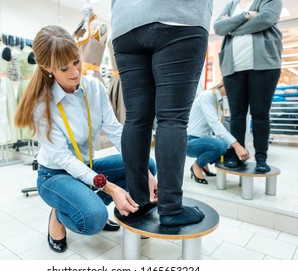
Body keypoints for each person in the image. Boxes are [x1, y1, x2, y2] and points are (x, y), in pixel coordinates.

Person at [14, 25, 157, 253]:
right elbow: (63, 159)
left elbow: (115, 131)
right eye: (64, 68)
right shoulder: (42, 105)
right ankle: (60, 215)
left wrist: (144, 173)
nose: (75, 72)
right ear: (47, 68)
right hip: (55, 175)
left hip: (84, 166)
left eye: (76, 62)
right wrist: (110, 188)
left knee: (146, 165)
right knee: (92, 220)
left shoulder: (94, 88)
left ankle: (106, 206)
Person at [111, 0, 213, 226]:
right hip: (178, 15)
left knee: (136, 119)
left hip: (126, 23)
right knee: (172, 120)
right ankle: (171, 209)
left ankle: (138, 200)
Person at [213, 0, 283, 172]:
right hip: (232, 67)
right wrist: (245, 15)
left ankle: (261, 158)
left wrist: (232, 28)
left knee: (260, 114)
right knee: (237, 115)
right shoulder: (232, 4)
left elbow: (265, 19)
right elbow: (218, 28)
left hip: (264, 65)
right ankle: (238, 156)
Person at [187, 80, 250, 184]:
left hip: (203, 140)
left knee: (236, 152)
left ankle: (204, 164)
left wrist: (238, 147)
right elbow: (215, 124)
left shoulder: (219, 101)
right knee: (221, 146)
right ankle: (197, 166)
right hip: (190, 141)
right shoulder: (207, 96)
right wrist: (236, 145)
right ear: (225, 84)